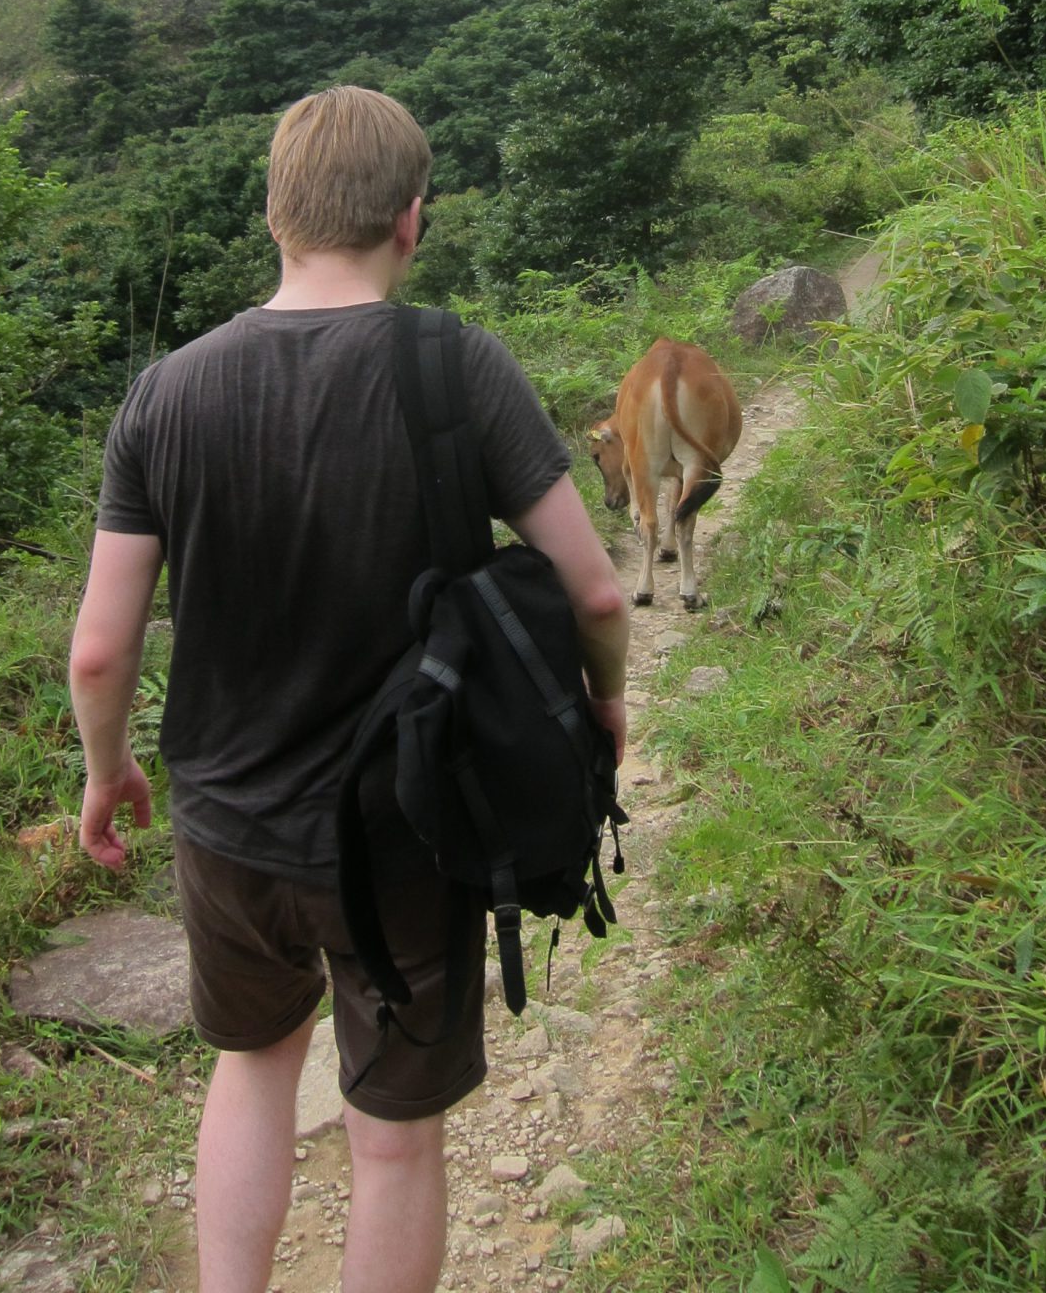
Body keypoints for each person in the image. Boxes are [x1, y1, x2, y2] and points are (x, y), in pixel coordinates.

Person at [69, 86, 629, 1293]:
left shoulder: (166, 390)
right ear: (410, 218)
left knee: (253, 1066)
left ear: (275, 216)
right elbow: (593, 589)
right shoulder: (455, 364)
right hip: (405, 830)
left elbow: (100, 652)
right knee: (392, 1136)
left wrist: (105, 769)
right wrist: (605, 704)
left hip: (226, 827)